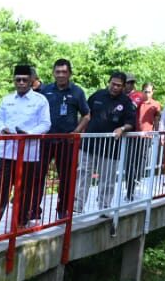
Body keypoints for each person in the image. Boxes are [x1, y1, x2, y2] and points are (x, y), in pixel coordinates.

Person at [0, 65, 50, 233]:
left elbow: (46, 124)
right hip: (7, 151)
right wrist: (2, 128)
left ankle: (21, 221)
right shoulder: (7, 99)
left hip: (28, 152)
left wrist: (30, 134)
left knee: (25, 187)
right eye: (18, 79)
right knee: (0, 186)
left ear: (32, 81)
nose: (21, 83)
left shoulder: (40, 100)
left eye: (25, 80)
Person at [74, 72, 135, 214]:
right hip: (89, 144)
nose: (115, 87)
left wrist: (122, 128)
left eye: (119, 85)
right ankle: (77, 206)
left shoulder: (126, 102)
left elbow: (131, 123)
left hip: (110, 148)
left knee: (108, 179)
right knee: (83, 174)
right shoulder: (97, 95)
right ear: (109, 82)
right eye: (113, 84)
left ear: (123, 86)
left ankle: (104, 207)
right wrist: (79, 131)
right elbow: (85, 114)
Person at [37, 59, 90, 219]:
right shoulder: (45, 90)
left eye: (64, 72)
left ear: (69, 74)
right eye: (58, 72)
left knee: (66, 177)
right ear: (53, 72)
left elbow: (86, 115)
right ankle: (33, 210)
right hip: (45, 140)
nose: (60, 75)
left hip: (67, 141)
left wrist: (76, 131)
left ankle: (63, 209)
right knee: (38, 175)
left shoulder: (77, 92)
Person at [123, 73, 146, 201]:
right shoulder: (121, 96)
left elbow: (132, 107)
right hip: (121, 135)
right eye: (127, 82)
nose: (130, 85)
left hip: (133, 135)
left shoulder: (137, 95)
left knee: (130, 164)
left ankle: (130, 192)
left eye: (131, 83)